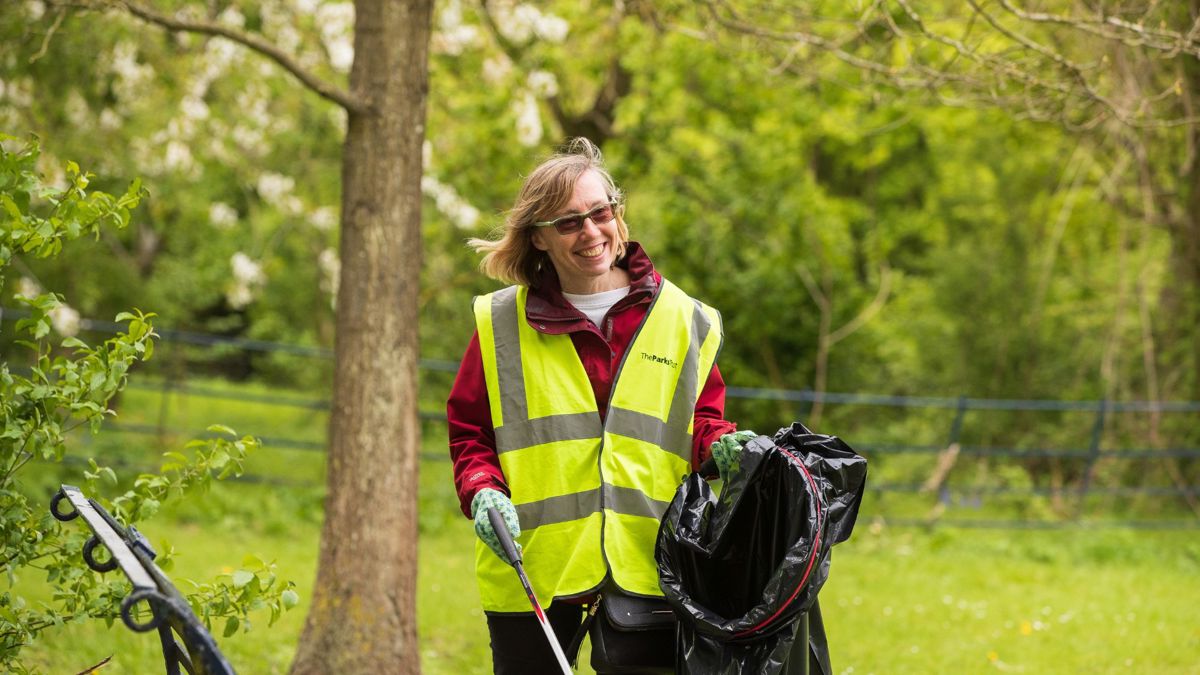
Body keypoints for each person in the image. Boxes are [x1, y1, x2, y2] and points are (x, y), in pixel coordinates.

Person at [447, 137, 757, 674]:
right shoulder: (500, 324)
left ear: (616, 213)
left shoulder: (686, 319)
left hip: (651, 560)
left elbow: (701, 421)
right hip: (535, 567)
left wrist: (722, 447)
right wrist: (481, 492)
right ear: (539, 238)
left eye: (600, 212)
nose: (591, 232)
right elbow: (470, 433)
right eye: (569, 223)